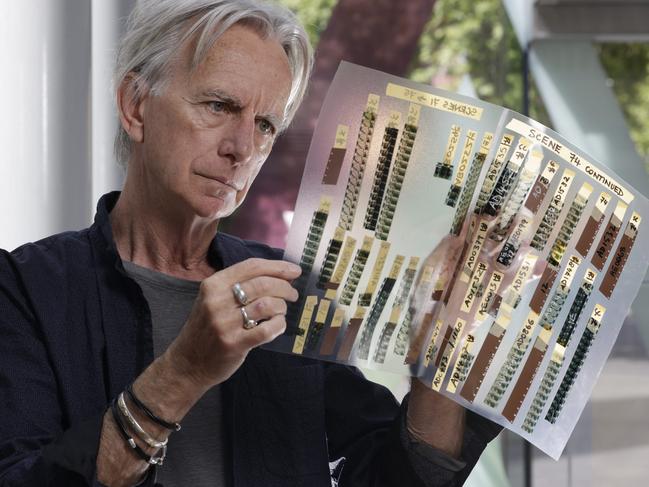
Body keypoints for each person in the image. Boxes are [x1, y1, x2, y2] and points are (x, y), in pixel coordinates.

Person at [0, 1, 501, 485]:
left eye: (264, 125)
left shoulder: (293, 289)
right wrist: (184, 371)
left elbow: (391, 478)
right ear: (135, 106)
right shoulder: (24, 289)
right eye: (219, 106)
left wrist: (441, 352)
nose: (241, 148)